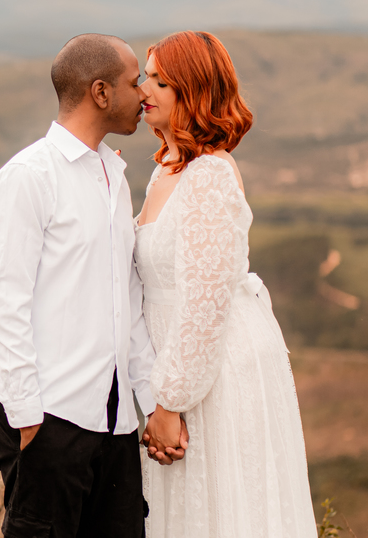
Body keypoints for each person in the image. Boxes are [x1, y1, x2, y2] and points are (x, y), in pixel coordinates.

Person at [0, 33, 180, 538]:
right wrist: (28, 418)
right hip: (49, 417)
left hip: (114, 423)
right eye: (134, 82)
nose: (143, 92)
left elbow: (126, 303)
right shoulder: (28, 176)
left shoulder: (113, 174)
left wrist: (150, 399)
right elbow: (5, 302)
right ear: (100, 92)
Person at [136, 31, 317, 537]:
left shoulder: (209, 176)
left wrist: (170, 403)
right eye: (146, 76)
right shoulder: (167, 170)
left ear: (193, 93)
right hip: (179, 369)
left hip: (212, 375)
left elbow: (204, 305)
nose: (143, 89)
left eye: (160, 81)